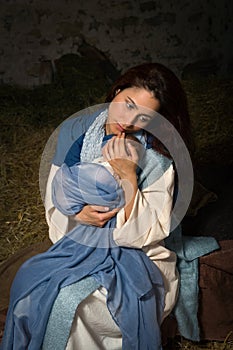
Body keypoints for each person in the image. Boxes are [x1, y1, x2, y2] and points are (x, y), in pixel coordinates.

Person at [1, 63, 193, 350]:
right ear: (116, 90)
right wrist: (77, 215)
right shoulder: (75, 132)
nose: (128, 121)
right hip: (76, 243)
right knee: (31, 285)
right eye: (126, 104)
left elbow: (150, 231)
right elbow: (55, 202)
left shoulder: (156, 154)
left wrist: (129, 175)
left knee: (73, 304)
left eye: (143, 116)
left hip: (138, 254)